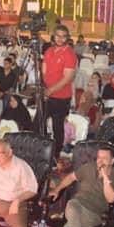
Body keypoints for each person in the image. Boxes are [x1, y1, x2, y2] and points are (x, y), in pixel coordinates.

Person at [49, 146, 114, 227]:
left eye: (105, 158)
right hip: (78, 204)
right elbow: (71, 177)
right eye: (99, 157)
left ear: (112, 161)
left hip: (95, 213)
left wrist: (105, 177)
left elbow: (110, 199)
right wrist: (57, 189)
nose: (100, 161)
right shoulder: (88, 167)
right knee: (71, 205)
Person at [42, 24, 78, 158]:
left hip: (61, 97)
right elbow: (44, 71)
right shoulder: (49, 51)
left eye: (63, 36)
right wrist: (46, 90)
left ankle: (55, 155)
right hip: (47, 94)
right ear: (54, 36)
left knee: (57, 127)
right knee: (38, 123)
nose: (60, 39)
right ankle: (41, 149)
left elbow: (67, 78)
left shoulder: (70, 54)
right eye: (58, 36)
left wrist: (50, 90)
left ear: (67, 38)